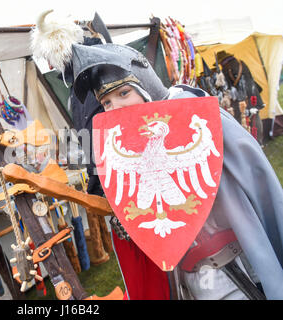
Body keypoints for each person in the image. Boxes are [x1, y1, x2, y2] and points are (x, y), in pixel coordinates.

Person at [31, 11, 283, 300]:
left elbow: (257, 182)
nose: (115, 109)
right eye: (106, 103)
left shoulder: (192, 114)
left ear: (144, 84)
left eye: (124, 93)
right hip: (187, 281)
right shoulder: (129, 143)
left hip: (236, 274)